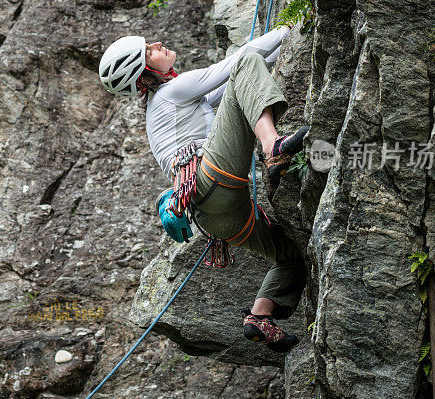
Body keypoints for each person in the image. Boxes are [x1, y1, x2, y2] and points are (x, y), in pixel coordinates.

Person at [98, 27, 308, 352]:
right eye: (148, 49)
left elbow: (238, 87)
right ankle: (273, 146)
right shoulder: (172, 92)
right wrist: (289, 31)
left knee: (291, 255)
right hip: (212, 178)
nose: (157, 43)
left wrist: (291, 47)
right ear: (146, 72)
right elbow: (241, 61)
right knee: (244, 61)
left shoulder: (163, 106)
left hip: (212, 220)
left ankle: (259, 316)